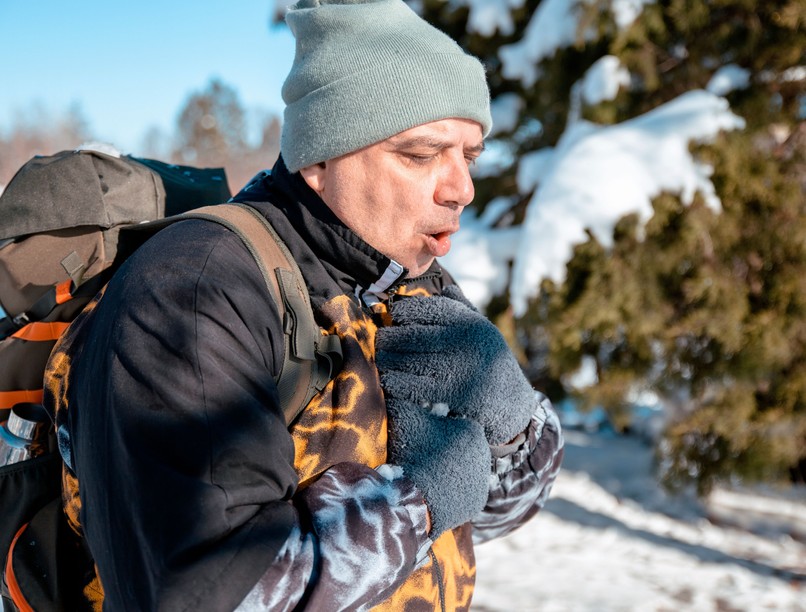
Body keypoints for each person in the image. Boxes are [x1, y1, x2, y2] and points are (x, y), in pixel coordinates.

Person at [45, 0, 564, 609]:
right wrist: (416, 504)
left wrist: (511, 427)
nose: (463, 189)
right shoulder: (195, 292)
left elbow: (493, 515)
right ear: (321, 156)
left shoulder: (414, 281)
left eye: (469, 156)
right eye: (422, 155)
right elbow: (205, 589)